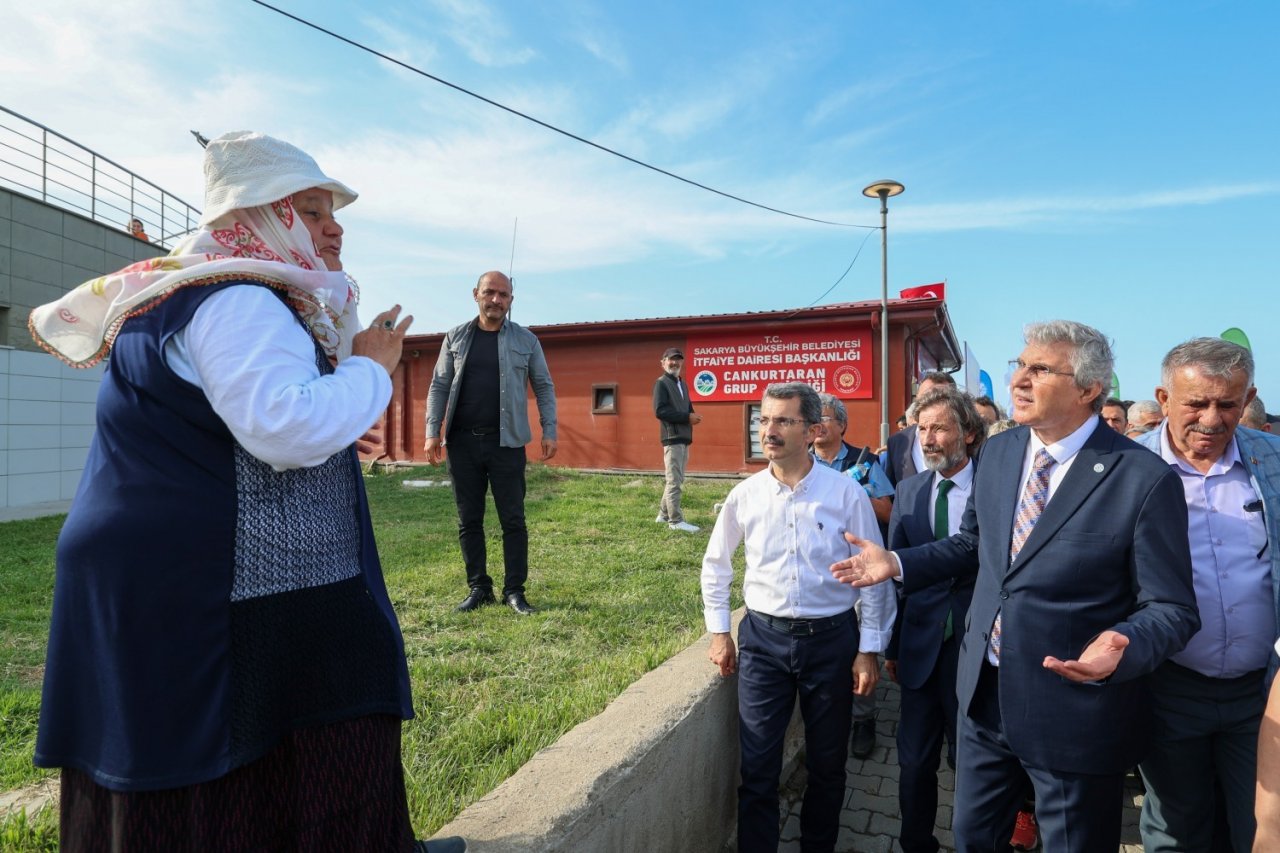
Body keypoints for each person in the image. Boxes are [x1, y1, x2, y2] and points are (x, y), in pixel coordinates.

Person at [28, 131, 463, 852]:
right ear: (258, 217)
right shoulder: (239, 300)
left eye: (334, 213)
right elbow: (284, 425)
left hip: (160, 565)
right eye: (312, 210)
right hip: (208, 571)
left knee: (183, 737)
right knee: (302, 705)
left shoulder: (188, 292)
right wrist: (371, 369)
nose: (335, 229)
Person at [830, 319, 1200, 853]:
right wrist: (896, 561)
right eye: (1019, 365)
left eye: (1040, 369)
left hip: (1072, 710)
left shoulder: (1142, 477)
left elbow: (1171, 607)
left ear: (1089, 389)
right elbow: (972, 545)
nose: (1019, 380)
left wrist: (1126, 643)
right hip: (983, 699)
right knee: (972, 838)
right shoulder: (1000, 454)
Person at [702, 382, 894, 853]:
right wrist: (719, 631)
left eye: (783, 421)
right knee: (758, 769)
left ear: (810, 431)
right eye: (764, 419)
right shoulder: (745, 495)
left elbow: (873, 574)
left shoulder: (845, 493)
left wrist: (868, 649)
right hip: (763, 644)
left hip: (831, 643)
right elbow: (716, 564)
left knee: (827, 766)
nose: (769, 430)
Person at [1135, 338, 1280, 853]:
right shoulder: (1127, 467)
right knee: (1176, 830)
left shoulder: (1273, 460)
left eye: (1228, 404)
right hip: (1167, 689)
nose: (1212, 420)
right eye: (1196, 403)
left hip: (1263, 694)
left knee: (1261, 827)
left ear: (1249, 399)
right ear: (1164, 398)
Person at [883, 388, 983, 853]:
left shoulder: (996, 489)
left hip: (976, 649)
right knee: (914, 762)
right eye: (922, 429)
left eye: (939, 428)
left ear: (968, 433)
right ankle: (915, 843)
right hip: (920, 648)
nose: (927, 439)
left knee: (973, 762)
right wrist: (892, 647)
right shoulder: (908, 492)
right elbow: (897, 579)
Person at [425, 271, 557, 616]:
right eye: (490, 292)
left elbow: (544, 386)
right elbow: (439, 385)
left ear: (511, 300)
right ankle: (479, 587)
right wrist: (432, 431)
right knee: (469, 519)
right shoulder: (455, 337)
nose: (496, 299)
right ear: (476, 294)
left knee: (513, 519)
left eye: (503, 294)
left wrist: (549, 429)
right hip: (462, 443)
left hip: (507, 444)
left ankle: (514, 591)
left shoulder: (527, 341)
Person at [810, 392, 891, 759]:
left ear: (842, 424)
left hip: (857, 568)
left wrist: (853, 490)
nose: (818, 424)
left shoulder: (865, 461)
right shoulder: (801, 461)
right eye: (813, 417)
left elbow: (887, 511)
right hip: (818, 571)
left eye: (825, 417)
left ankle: (863, 718)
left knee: (862, 647)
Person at [653, 346, 702, 532]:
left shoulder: (682, 384)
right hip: (672, 437)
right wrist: (686, 417)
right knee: (674, 480)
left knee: (676, 478)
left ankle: (663, 515)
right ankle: (675, 521)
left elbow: (687, 408)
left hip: (683, 437)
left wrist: (692, 415)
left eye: (678, 359)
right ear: (663, 362)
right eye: (671, 359)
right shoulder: (661, 383)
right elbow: (660, 411)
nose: (675, 362)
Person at [883, 371, 958, 486]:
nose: (931, 405)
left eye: (939, 400)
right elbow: (891, 489)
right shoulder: (897, 442)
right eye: (925, 398)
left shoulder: (968, 439)